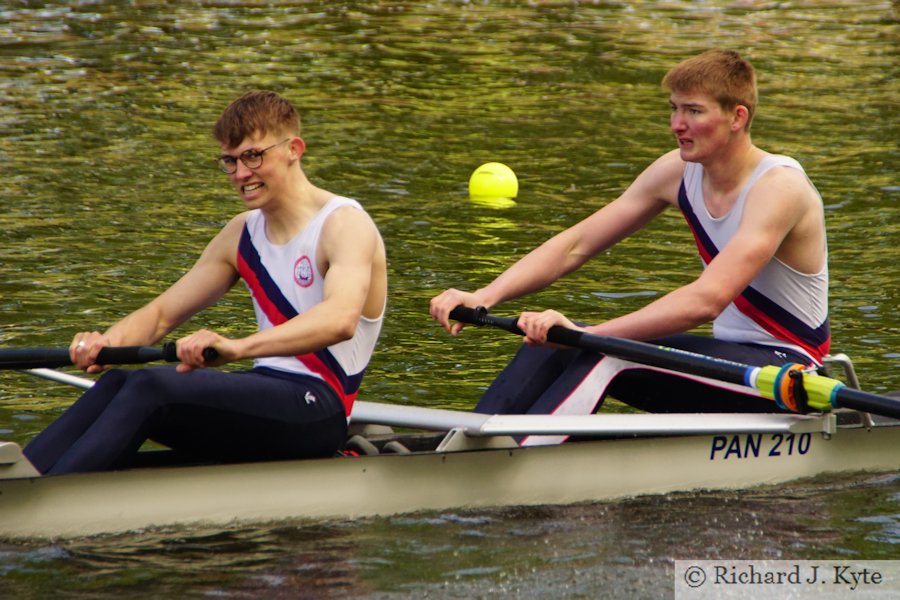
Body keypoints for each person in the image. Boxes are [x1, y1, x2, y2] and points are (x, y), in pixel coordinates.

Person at [430, 50, 829, 444]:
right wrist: (485, 295)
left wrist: (593, 335)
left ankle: (512, 467)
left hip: (787, 377)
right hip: (725, 360)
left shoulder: (779, 188)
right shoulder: (677, 171)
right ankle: (468, 448)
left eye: (693, 111)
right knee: (559, 343)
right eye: (673, 109)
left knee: (602, 350)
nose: (677, 124)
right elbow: (576, 245)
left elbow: (706, 301)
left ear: (737, 117)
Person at [25, 91, 387, 473]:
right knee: (116, 382)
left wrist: (237, 347)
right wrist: (106, 342)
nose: (241, 174)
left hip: (319, 409)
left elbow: (339, 319)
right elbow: (162, 314)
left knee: (151, 387)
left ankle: (50, 502)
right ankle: (25, 480)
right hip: (266, 393)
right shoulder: (241, 234)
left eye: (253, 156)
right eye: (230, 161)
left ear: (294, 148)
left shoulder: (344, 224)